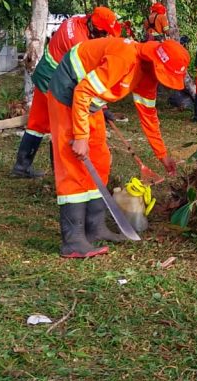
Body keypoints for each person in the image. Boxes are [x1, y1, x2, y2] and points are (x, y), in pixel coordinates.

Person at [48, 36, 188, 258]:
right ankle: (72, 239)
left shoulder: (147, 74)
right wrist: (81, 136)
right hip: (68, 92)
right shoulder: (124, 58)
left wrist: (162, 155)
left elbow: (149, 116)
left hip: (90, 103)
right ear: (154, 62)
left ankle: (95, 228)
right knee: (74, 164)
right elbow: (82, 91)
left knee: (100, 159)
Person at [11, 7, 121, 178]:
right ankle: (61, 174)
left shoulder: (76, 23)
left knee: (37, 124)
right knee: (64, 126)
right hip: (53, 81)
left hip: (44, 75)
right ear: (92, 24)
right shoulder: (78, 40)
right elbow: (86, 80)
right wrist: (103, 108)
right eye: (102, 32)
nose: (103, 36)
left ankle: (21, 167)